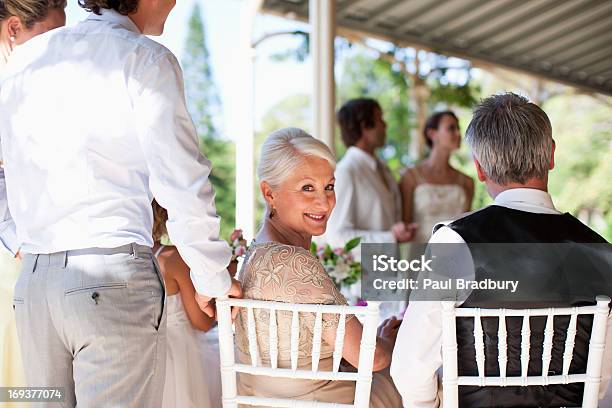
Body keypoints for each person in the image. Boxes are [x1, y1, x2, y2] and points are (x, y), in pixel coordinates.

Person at [1, 0, 241, 406]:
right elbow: (182, 183)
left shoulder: (22, 65)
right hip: (111, 279)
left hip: (35, 285)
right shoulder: (145, 59)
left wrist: (19, 240)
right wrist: (212, 278)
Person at [391, 93, 612, 407]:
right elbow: (599, 381)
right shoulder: (601, 253)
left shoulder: (455, 242)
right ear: (551, 155)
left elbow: (410, 367)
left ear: (479, 169)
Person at [236, 127, 403, 407]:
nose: (324, 201)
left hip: (267, 400)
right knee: (423, 378)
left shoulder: (255, 253)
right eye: (307, 188)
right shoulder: (294, 261)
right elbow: (370, 356)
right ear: (269, 193)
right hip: (323, 401)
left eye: (328, 186)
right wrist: (388, 339)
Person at [321, 98, 417, 256]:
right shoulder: (346, 172)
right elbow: (337, 237)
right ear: (365, 126)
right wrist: (390, 237)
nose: (385, 125)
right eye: (380, 120)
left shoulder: (383, 169)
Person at [151, 201, 222, 408]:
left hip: (145, 355)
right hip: (180, 356)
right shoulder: (172, 259)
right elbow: (202, 323)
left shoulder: (123, 260)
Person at [399, 111, 474, 243]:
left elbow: (466, 230)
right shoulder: (410, 177)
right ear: (432, 134)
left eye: (458, 129)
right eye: (451, 128)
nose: (458, 134)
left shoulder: (467, 182)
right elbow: (405, 225)